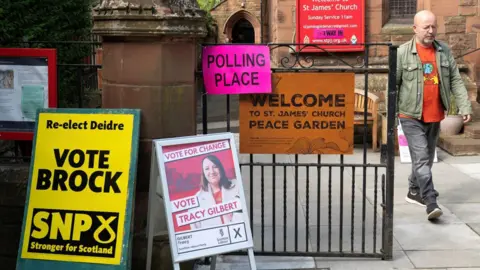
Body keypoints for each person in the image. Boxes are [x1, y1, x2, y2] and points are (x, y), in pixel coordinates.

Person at [396, 10, 473, 220]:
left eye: (433, 27)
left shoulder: (443, 51)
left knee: (427, 159)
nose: (431, 31)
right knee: (421, 159)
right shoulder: (402, 53)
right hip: (410, 115)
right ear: (415, 29)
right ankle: (430, 201)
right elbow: (393, 85)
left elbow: (456, 80)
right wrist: (392, 115)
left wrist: (464, 106)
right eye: (426, 27)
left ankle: (414, 190)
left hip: (435, 115)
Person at [190, 155, 243, 229]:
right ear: (204, 173)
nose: (212, 172)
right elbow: (196, 231)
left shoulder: (237, 186)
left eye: (215, 166)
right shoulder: (197, 199)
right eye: (207, 169)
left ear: (220, 168)